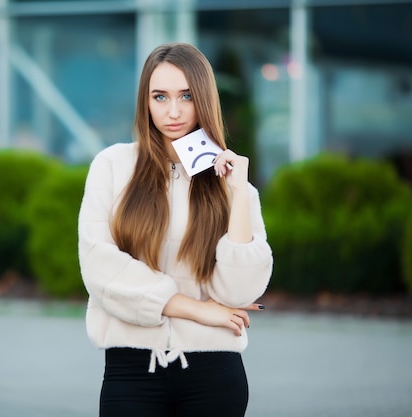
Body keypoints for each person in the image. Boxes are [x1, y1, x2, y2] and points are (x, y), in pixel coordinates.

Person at [78, 42, 273, 417]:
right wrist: (199, 310)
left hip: (214, 374)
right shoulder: (113, 165)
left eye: (186, 96)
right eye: (160, 96)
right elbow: (99, 267)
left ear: (204, 99)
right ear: (145, 102)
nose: (173, 111)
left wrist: (237, 193)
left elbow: (239, 291)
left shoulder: (233, 185)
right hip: (131, 370)